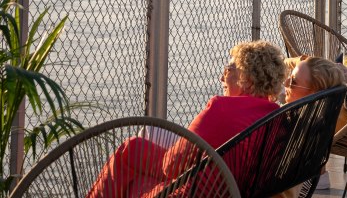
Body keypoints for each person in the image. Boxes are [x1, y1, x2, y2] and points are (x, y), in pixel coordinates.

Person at [89, 41, 286, 197]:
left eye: (228, 70)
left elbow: (171, 166)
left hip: (194, 193)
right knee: (132, 150)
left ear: (246, 78)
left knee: (130, 166)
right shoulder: (275, 116)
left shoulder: (221, 109)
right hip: (232, 190)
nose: (222, 78)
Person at [276, 56, 347, 196]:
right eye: (289, 77)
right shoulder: (320, 123)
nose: (286, 82)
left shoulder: (285, 124)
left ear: (314, 93)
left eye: (293, 81)